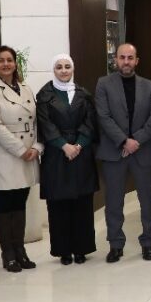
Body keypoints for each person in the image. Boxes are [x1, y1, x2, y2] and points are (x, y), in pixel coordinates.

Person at [0, 45, 42, 273]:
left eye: (9, 60)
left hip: (28, 153)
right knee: (5, 205)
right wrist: (19, 149)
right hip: (5, 155)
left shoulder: (25, 88)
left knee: (20, 203)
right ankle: (8, 253)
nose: (6, 64)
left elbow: (37, 121)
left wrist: (36, 147)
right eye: (1, 61)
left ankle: (20, 251)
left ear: (15, 64)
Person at [95, 43, 151, 262]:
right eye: (122, 57)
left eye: (130, 58)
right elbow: (103, 116)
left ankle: (148, 242)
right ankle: (115, 244)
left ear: (136, 61)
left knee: (148, 201)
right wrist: (124, 141)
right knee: (114, 202)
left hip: (142, 151)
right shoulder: (103, 84)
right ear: (116, 60)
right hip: (114, 152)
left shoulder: (150, 87)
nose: (126, 62)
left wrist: (135, 141)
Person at [36, 54, 99, 266]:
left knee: (82, 204)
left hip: (81, 154)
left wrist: (78, 145)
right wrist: (64, 145)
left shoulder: (84, 94)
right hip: (57, 155)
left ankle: (82, 249)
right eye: (59, 67)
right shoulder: (44, 95)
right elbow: (45, 124)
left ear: (73, 69)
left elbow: (90, 123)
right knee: (59, 205)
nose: (63, 71)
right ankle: (63, 250)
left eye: (67, 67)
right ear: (53, 70)